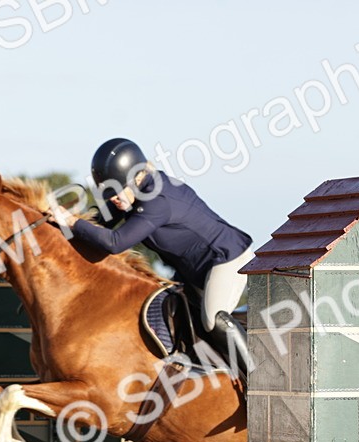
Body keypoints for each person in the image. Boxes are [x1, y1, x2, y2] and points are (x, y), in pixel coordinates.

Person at [50, 137, 254, 384]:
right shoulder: (134, 190)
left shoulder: (158, 201)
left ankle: (259, 380)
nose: (112, 198)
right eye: (107, 192)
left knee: (212, 318)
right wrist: (59, 224)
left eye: (115, 191)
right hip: (194, 270)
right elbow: (100, 221)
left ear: (136, 178)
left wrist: (72, 222)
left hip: (228, 259)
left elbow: (115, 242)